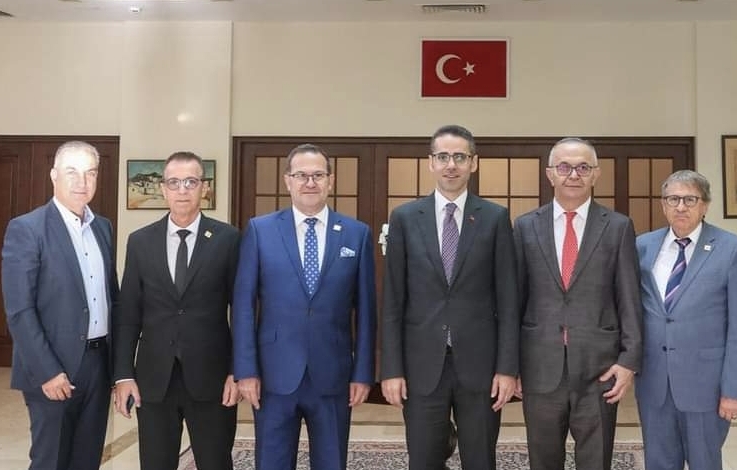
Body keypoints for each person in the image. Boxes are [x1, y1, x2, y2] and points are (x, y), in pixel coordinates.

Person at [381, 124, 519, 469]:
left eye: (460, 157)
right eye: (443, 157)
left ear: (474, 163)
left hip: (481, 368)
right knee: (423, 460)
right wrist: (391, 370)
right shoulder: (405, 218)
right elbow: (393, 302)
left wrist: (507, 369)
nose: (451, 165)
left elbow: (508, 300)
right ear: (431, 163)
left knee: (480, 460)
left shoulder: (495, 218)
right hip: (421, 367)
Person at [232, 144, 377, 470]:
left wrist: (363, 373)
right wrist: (246, 370)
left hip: (333, 374)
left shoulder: (356, 234)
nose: (310, 183)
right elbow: (243, 306)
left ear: (331, 181)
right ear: (288, 181)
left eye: (318, 175)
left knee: (331, 462)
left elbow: (367, 312)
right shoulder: (260, 230)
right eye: (301, 176)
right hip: (273, 376)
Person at [513, 137, 642, 470]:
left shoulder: (618, 227)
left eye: (583, 167)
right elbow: (514, 300)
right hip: (539, 365)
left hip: (600, 368)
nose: (574, 174)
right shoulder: (525, 226)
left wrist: (628, 361)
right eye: (565, 167)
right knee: (543, 460)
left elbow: (629, 297)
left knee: (596, 460)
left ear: (596, 174)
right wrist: (511, 365)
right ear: (550, 174)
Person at [112, 151, 240, 470]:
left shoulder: (228, 239)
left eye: (191, 182)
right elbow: (128, 314)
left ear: (204, 188)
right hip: (154, 380)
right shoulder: (140, 242)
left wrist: (237, 371)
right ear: (163, 189)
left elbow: (242, 311)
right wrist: (124, 374)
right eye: (174, 182)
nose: (182, 190)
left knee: (216, 463)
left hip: (212, 379)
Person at [1, 140, 118, 470]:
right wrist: (48, 371)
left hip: (98, 364)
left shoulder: (103, 228)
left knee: (87, 460)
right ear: (54, 176)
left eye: (90, 173)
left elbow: (113, 298)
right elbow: (19, 310)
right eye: (72, 172)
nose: (82, 182)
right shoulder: (27, 229)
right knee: (50, 461)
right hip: (52, 368)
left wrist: (117, 369)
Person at [635, 170, 737, 470]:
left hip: (706, 387)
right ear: (663, 205)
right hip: (654, 383)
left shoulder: (731, 248)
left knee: (705, 463)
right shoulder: (642, 247)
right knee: (658, 463)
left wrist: (733, 391)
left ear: (705, 205)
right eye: (673, 199)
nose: (680, 207)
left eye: (690, 199)